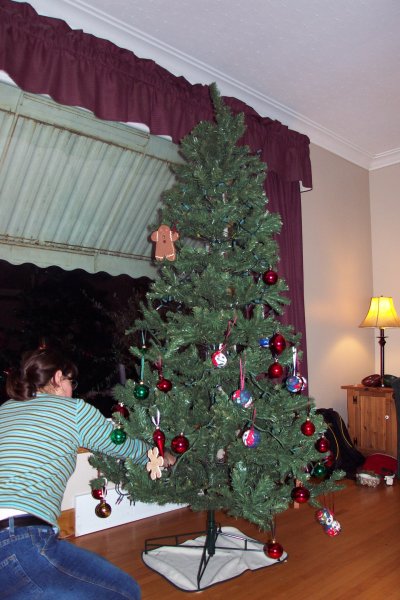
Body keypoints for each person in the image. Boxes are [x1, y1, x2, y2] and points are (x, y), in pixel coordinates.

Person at [0, 347, 175, 599]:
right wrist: (161, 455)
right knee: (123, 592)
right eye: (72, 382)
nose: (73, 390)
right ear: (58, 378)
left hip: (19, 540)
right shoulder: (72, 410)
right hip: (18, 540)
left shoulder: (6, 409)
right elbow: (121, 443)